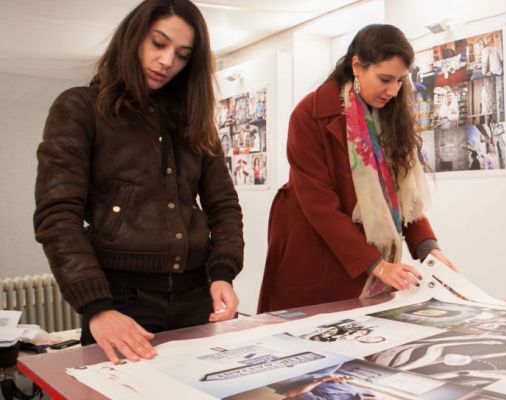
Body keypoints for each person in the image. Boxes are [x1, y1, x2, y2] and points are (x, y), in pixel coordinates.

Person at [33, 0, 243, 364]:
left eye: (181, 55)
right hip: (121, 304)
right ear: (132, 38)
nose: (167, 62)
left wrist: (223, 272)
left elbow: (223, 205)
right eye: (158, 44)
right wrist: (97, 308)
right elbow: (57, 215)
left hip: (198, 296)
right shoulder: (79, 108)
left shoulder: (193, 121)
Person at [257, 24, 456, 312]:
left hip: (371, 260)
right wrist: (376, 265)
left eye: (400, 81)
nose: (393, 91)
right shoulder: (309, 115)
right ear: (357, 66)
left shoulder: (391, 116)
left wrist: (429, 249)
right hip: (317, 251)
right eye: (385, 79)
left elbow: (402, 195)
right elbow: (318, 204)